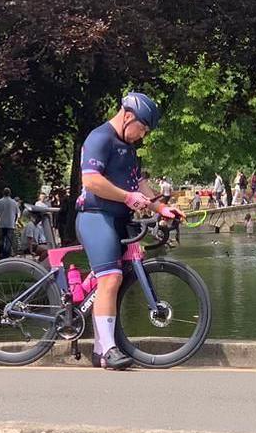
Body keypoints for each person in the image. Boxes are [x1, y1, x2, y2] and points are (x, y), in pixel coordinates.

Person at [75, 91, 179, 370]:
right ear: (128, 117)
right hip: (96, 216)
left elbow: (138, 184)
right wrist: (127, 197)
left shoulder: (129, 149)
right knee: (111, 278)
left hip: (117, 218)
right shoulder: (100, 138)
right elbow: (91, 181)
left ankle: (101, 348)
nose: (142, 135)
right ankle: (108, 350)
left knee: (112, 280)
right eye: (142, 128)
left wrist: (162, 208)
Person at [0, 188, 20, 260]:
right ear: (10, 193)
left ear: (3, 193)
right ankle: (6, 256)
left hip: (1, 224)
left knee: (1, 240)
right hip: (10, 225)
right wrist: (14, 221)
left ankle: (1, 254)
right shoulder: (14, 202)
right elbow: (17, 214)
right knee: (8, 241)